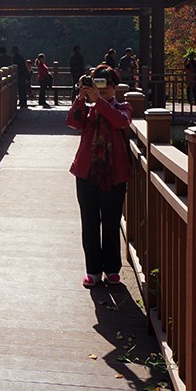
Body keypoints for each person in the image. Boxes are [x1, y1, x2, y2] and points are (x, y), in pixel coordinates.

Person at [66, 64, 132, 288]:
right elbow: (74, 122)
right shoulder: (89, 108)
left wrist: (99, 101)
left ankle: (112, 270)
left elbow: (121, 121)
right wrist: (80, 98)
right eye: (97, 85)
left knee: (111, 222)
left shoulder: (123, 107)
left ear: (115, 88)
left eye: (106, 85)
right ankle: (92, 270)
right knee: (90, 222)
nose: (101, 90)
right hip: (87, 173)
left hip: (114, 174)